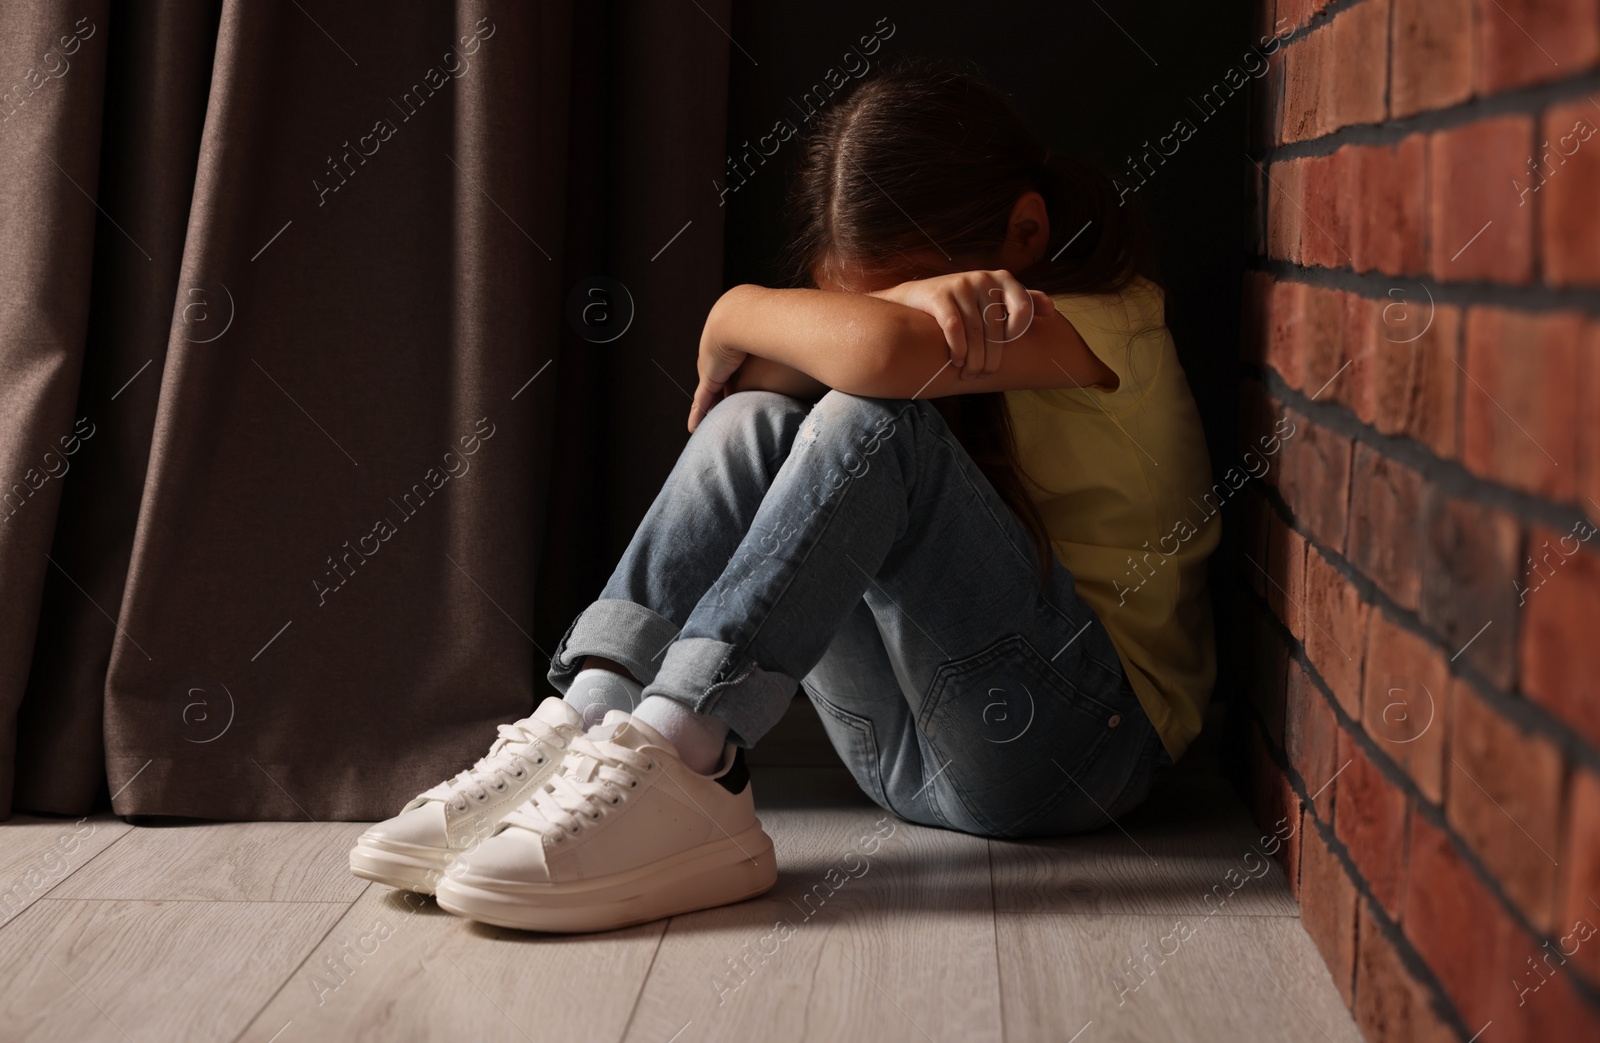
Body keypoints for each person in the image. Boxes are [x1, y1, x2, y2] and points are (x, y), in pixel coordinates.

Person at [350, 64, 1220, 933]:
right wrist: (876, 308)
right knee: (761, 416)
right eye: (869, 303)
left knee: (872, 421)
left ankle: (683, 753)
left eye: (913, 293)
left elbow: (873, 365)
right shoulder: (939, 322)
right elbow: (769, 377)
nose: (888, 321)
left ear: (1024, 232)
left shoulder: (1111, 325)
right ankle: (593, 710)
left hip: (1076, 748)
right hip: (903, 748)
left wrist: (734, 308)